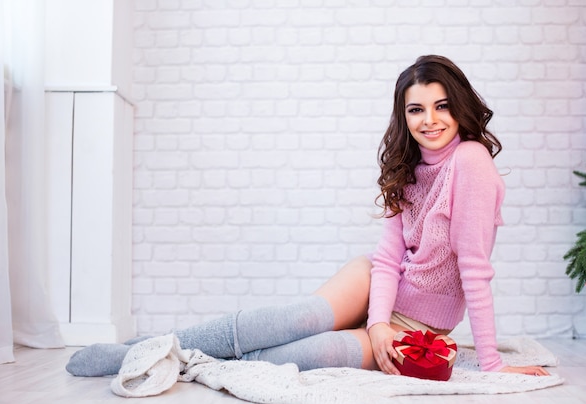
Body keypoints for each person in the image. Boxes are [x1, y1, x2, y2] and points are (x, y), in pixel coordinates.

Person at [66, 55, 549, 378]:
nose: (430, 120)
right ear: (403, 117)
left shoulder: (471, 162)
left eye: (441, 106)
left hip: (421, 325)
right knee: (298, 318)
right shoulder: (408, 167)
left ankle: (180, 360)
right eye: (416, 109)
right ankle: (148, 347)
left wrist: (491, 362)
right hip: (379, 285)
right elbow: (387, 258)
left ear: (459, 107)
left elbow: (474, 269)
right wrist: (377, 322)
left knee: (310, 355)